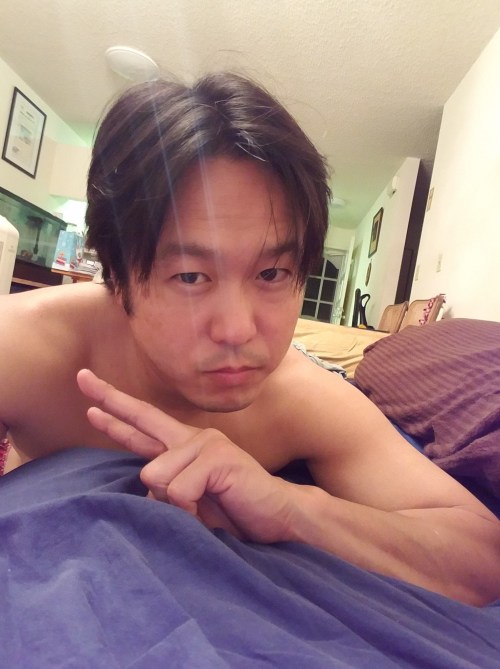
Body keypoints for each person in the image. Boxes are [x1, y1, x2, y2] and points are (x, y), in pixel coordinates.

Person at [1, 73, 499, 606]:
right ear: (117, 276)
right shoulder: (27, 346)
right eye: (190, 276)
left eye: (272, 273)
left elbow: (480, 555)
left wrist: (290, 507)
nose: (238, 330)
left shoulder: (300, 397)